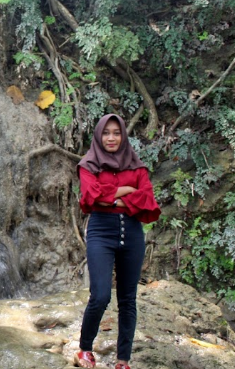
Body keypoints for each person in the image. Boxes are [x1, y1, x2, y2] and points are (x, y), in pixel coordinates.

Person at [74, 114, 161, 369]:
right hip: (101, 231)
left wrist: (109, 197)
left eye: (116, 133)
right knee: (100, 295)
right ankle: (85, 349)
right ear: (99, 135)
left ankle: (123, 360)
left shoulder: (137, 166)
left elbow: (147, 199)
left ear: (123, 135)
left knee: (127, 299)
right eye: (106, 133)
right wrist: (125, 193)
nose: (111, 138)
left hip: (132, 233)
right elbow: (90, 196)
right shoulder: (88, 165)